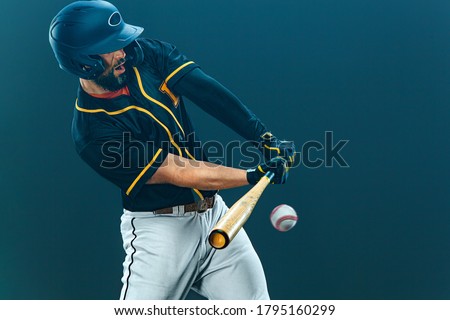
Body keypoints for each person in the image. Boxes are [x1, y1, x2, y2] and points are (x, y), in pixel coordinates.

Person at [49, 0, 295, 300]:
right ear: (84, 62)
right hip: (161, 235)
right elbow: (178, 171)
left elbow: (208, 92)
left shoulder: (145, 54)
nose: (122, 52)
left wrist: (263, 138)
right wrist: (251, 176)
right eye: (110, 47)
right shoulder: (92, 133)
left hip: (216, 217)